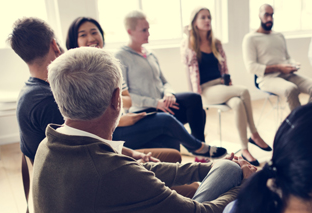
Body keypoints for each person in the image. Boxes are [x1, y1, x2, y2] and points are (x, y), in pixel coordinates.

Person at [33, 47, 258, 213]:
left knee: (225, 181)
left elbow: (142, 171)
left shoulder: (50, 144)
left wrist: (207, 169)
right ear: (117, 99)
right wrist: (243, 188)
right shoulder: (107, 173)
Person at [11, 17, 178, 164]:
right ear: (54, 44)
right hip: (88, 176)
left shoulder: (30, 93)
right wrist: (132, 156)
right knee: (177, 165)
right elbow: (93, 149)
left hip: (83, 164)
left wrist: (132, 153)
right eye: (83, 35)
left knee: (172, 154)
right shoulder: (53, 99)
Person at [66, 16, 220, 161]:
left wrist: (167, 94)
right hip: (113, 129)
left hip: (126, 120)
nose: (91, 38)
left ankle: (176, 172)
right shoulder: (74, 72)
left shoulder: (110, 65)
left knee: (174, 133)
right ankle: (198, 147)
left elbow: (126, 100)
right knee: (167, 121)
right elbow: (84, 115)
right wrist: (119, 118)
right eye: (83, 35)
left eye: (94, 32)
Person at [115, 10, 226, 159]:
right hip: (143, 112)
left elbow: (164, 81)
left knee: (194, 100)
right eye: (144, 30)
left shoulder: (150, 54)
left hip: (162, 105)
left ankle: (200, 152)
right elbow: (125, 97)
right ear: (130, 31)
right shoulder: (121, 57)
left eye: (148, 29)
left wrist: (169, 94)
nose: (148, 33)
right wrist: (156, 103)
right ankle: (199, 148)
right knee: (198, 114)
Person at [182, 7, 271, 166]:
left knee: (237, 103)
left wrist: (228, 84)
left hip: (221, 86)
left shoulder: (216, 43)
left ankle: (244, 149)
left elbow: (225, 68)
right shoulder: (189, 45)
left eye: (209, 17)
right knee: (243, 90)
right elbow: (188, 66)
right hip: (205, 90)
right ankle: (255, 135)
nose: (207, 20)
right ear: (194, 22)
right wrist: (188, 36)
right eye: (203, 17)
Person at [243, 4, 312, 112]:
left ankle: (307, 118)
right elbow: (251, 67)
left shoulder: (279, 36)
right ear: (259, 15)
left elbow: (287, 57)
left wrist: (292, 64)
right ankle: (298, 123)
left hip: (288, 75)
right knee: (291, 89)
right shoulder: (250, 38)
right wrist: (279, 68)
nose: (269, 19)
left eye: (272, 15)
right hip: (267, 79)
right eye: (266, 15)